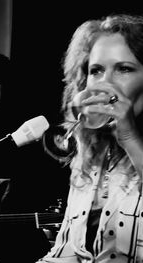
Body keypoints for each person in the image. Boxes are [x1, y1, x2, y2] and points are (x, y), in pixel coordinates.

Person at [37, 14, 143, 262]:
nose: (105, 83)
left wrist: (129, 137)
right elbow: (66, 254)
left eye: (124, 69)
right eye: (96, 71)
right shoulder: (91, 155)